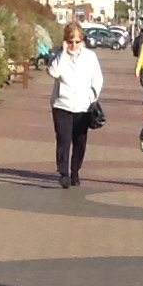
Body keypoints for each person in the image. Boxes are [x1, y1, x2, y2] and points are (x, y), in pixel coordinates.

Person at [47, 20, 104, 188]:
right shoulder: (57, 54)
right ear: (65, 41)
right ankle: (63, 173)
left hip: (83, 106)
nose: (74, 45)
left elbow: (98, 79)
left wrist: (92, 96)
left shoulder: (90, 57)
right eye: (70, 41)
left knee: (80, 140)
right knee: (63, 139)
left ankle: (75, 171)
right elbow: (53, 72)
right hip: (61, 105)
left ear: (82, 41)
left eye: (77, 41)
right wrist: (63, 53)